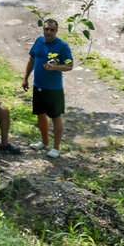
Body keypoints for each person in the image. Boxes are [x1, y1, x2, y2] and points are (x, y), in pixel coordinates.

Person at [22, 19, 73, 158]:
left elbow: (70, 65)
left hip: (54, 89)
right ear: (43, 29)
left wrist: (56, 67)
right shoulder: (39, 41)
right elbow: (31, 59)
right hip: (38, 86)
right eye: (46, 29)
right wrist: (25, 77)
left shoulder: (62, 46)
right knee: (40, 114)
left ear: (56, 31)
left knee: (56, 117)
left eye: (52, 30)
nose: (49, 32)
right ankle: (44, 143)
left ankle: (56, 148)